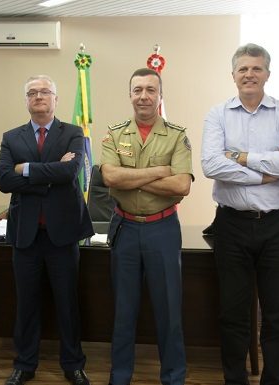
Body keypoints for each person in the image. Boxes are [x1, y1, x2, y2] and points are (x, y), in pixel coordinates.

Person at [201, 43, 279, 385]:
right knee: (233, 312)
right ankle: (235, 380)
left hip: (276, 225)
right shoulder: (217, 114)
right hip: (231, 223)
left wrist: (242, 157)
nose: (250, 74)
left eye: (256, 68)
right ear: (233, 75)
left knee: (277, 314)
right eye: (243, 69)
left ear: (267, 74)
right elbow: (211, 164)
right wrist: (268, 169)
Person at [0, 75, 94, 385]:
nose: (39, 97)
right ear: (26, 100)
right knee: (25, 303)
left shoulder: (73, 133)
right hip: (25, 234)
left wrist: (25, 170)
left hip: (63, 234)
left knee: (67, 303)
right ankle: (24, 364)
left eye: (45, 92)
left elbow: (70, 172)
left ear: (56, 98)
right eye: (32, 93)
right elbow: (3, 180)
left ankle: (73, 364)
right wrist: (49, 175)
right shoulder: (12, 137)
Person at [100, 68, 193, 385]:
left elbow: (181, 185)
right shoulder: (115, 134)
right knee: (124, 312)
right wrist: (158, 171)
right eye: (137, 89)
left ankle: (173, 377)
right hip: (125, 230)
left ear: (160, 95)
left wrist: (133, 179)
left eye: (150, 90)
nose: (143, 96)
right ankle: (120, 377)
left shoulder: (178, 135)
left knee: (169, 313)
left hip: (162, 231)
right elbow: (110, 178)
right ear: (130, 95)